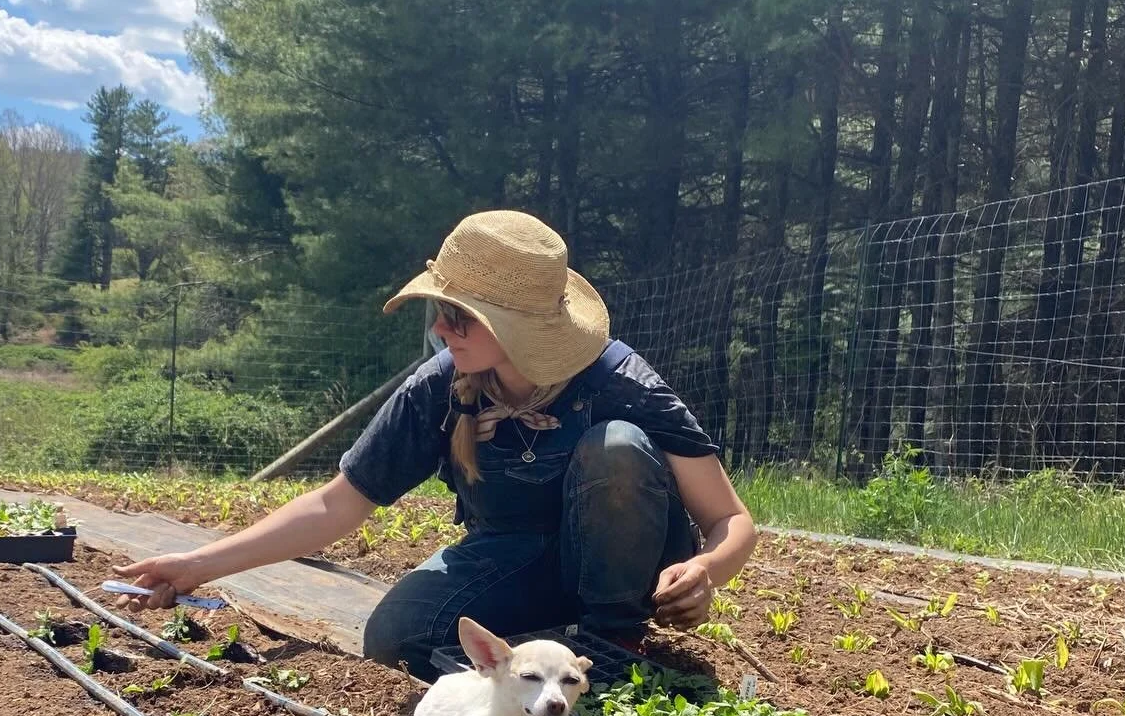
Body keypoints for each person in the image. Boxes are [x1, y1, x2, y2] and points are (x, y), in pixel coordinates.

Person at [114, 210, 757, 678]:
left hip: (626, 569)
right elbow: (337, 506)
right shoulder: (440, 389)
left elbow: (729, 520)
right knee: (397, 639)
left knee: (614, 447)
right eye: (440, 310)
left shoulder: (618, 382)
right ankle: (550, 645)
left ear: (523, 327)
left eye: (461, 316)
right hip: (512, 559)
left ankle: (613, 646)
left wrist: (707, 570)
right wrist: (198, 566)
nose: (442, 327)